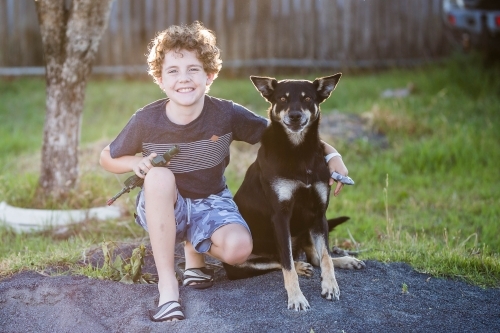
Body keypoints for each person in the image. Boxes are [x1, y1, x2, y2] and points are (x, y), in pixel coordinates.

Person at [99, 21, 348, 322]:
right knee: (161, 176)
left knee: (241, 248)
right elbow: (107, 157)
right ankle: (168, 286)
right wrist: (131, 164)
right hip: (164, 204)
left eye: (193, 69)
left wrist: (332, 154)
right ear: (160, 80)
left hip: (210, 201)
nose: (184, 79)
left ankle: (195, 256)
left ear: (210, 75)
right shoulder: (146, 119)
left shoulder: (225, 113)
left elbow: (282, 133)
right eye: (173, 71)